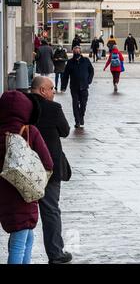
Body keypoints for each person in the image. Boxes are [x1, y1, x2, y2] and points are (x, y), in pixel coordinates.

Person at [0, 90, 53, 264]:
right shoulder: (30, 132)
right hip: (25, 193)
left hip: (4, 194)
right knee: (19, 242)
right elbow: (48, 163)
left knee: (26, 236)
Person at [29, 77, 73, 264]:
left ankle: (21, 256)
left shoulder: (23, 107)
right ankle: (55, 253)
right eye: (51, 88)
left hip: (25, 167)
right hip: (49, 168)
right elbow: (64, 131)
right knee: (50, 210)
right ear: (41, 90)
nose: (53, 91)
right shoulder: (53, 109)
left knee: (23, 213)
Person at [61, 46, 94, 129]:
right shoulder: (70, 62)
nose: (76, 53)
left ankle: (81, 116)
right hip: (74, 87)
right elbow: (65, 75)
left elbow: (91, 71)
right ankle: (77, 121)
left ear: (80, 52)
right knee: (75, 104)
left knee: (83, 104)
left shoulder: (86, 61)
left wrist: (89, 80)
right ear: (73, 52)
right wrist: (63, 86)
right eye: (75, 52)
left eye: (78, 52)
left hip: (84, 86)